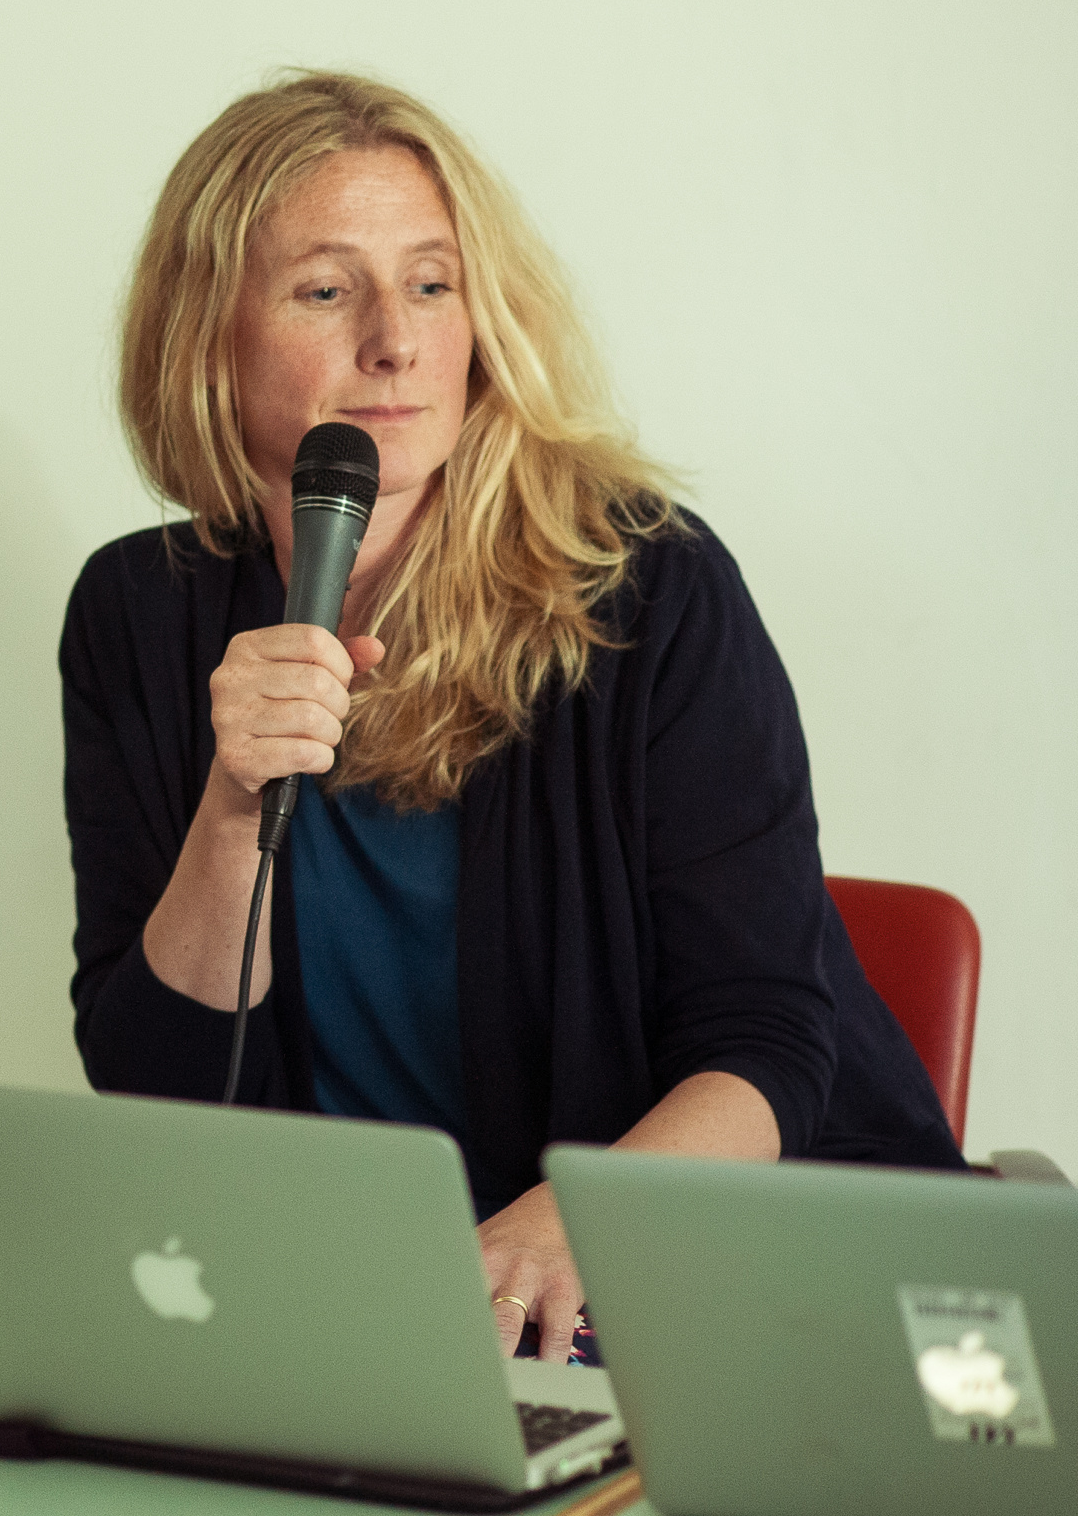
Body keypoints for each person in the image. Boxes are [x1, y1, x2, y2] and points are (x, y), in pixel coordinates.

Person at [61, 71, 964, 1368]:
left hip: (715, 1262)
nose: (397, 339)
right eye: (327, 289)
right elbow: (157, 1093)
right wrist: (233, 805)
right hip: (381, 1309)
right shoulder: (136, 616)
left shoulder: (643, 586)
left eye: (432, 282)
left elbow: (766, 1044)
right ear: (206, 332)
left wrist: (562, 1229)